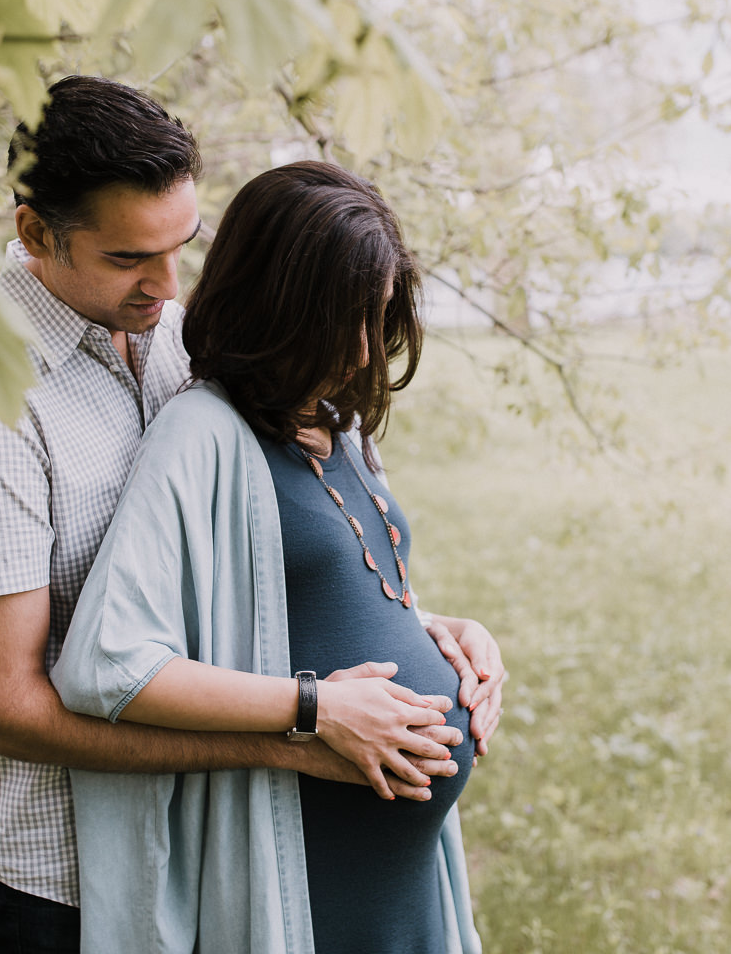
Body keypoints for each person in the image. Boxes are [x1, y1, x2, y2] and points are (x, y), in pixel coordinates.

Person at [0, 76, 505, 953]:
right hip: (62, 883)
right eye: (129, 258)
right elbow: (6, 707)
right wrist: (296, 733)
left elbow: (242, 562)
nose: (168, 285)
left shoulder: (168, 334)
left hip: (212, 848)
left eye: (183, 245)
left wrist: (425, 630)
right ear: (34, 232)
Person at [52, 160, 491, 953]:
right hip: (309, 873)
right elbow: (107, 663)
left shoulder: (337, 424)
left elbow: (347, 588)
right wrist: (316, 706)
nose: (362, 352)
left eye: (378, 317)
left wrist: (449, 636)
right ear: (276, 305)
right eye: (342, 322)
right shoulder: (203, 435)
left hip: (401, 882)